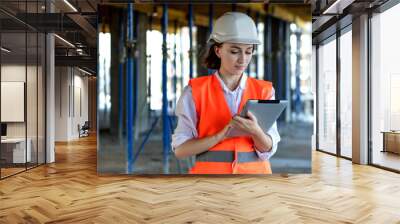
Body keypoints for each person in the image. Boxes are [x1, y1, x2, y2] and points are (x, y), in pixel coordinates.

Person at [172, 12, 280, 174]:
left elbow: (269, 148)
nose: (243, 59)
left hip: (256, 185)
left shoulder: (264, 91)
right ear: (218, 51)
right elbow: (180, 150)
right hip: (209, 186)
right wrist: (219, 137)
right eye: (235, 51)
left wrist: (255, 131)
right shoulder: (195, 92)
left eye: (248, 51)